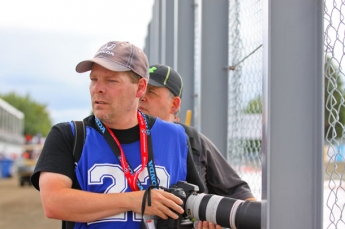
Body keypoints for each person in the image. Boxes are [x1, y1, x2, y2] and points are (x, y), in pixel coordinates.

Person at [30, 41, 205, 229]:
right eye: (94, 79)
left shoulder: (175, 136)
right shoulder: (69, 136)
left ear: (140, 88)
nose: (98, 88)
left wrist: (206, 220)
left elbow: (197, 205)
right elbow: (54, 203)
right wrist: (135, 200)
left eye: (111, 81)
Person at [139, 64, 256, 229]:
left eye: (151, 91)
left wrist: (217, 219)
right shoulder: (118, 140)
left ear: (174, 104)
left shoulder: (193, 141)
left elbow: (240, 194)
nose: (142, 97)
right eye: (140, 90)